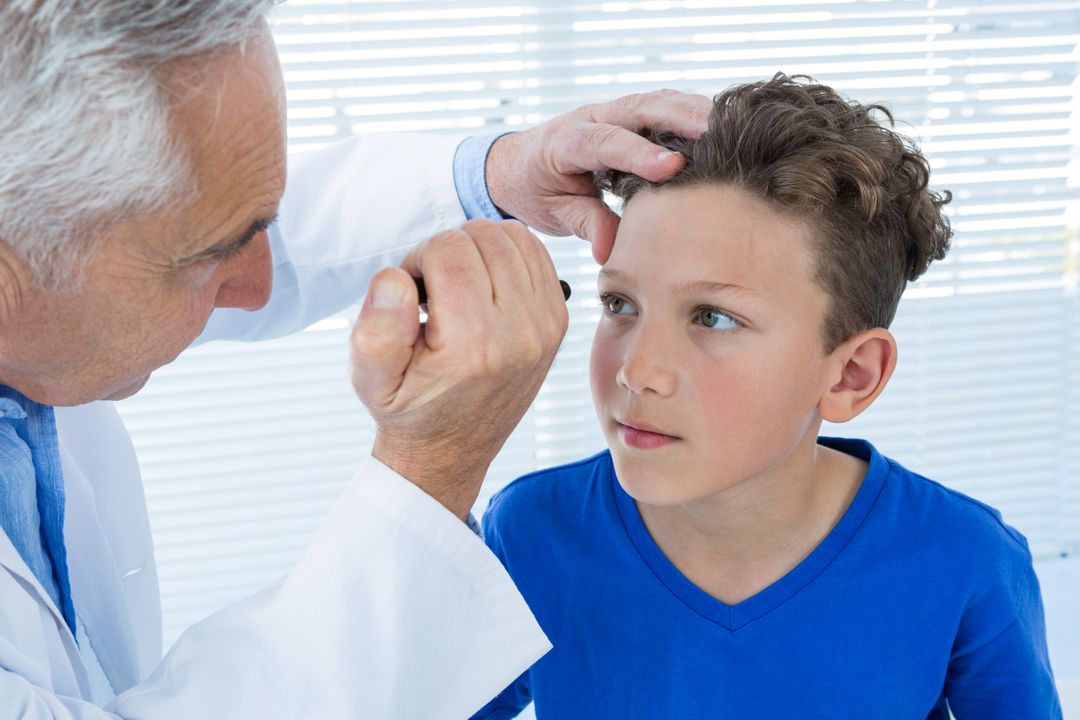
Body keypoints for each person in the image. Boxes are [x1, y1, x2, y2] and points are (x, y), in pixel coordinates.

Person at [0, 2, 712, 717]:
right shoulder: (545, 537)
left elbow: (187, 214)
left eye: (714, 317)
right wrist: (428, 472)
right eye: (209, 259)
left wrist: (490, 179)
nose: (260, 287)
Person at [472, 75, 1062, 719]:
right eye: (620, 303)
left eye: (714, 317)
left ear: (850, 375)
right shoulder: (531, 533)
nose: (639, 371)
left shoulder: (964, 558)